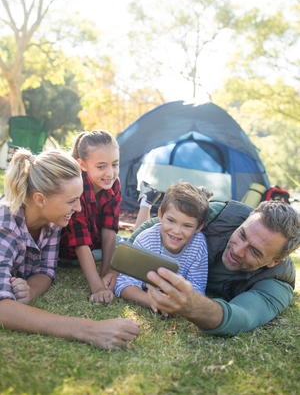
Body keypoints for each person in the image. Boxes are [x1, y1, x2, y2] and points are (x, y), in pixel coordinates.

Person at [0, 148, 140, 350]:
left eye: (79, 199)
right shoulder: (5, 227)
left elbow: (46, 270)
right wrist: (89, 329)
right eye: (71, 201)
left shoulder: (53, 219)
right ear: (40, 199)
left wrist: (29, 291)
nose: (79, 209)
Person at [129, 199, 300, 336]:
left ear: (275, 261)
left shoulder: (278, 282)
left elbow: (241, 316)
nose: (238, 250)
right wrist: (116, 267)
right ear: (245, 220)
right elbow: (152, 227)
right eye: (242, 234)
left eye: (255, 251)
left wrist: (194, 306)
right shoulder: (220, 214)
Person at [115, 182, 209, 311]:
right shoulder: (146, 239)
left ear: (198, 227)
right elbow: (124, 284)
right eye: (171, 220)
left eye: (187, 226)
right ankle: (146, 201)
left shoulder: (198, 244)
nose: (176, 231)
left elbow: (197, 289)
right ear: (160, 215)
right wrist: (155, 302)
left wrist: (177, 304)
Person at [59, 130, 121, 303]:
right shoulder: (75, 188)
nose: (110, 173)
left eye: (114, 164)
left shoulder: (113, 184)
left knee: (120, 242)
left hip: (94, 245)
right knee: (120, 245)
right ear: (83, 165)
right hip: (68, 253)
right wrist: (98, 288)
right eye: (101, 166)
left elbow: (109, 230)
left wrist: (106, 273)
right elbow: (80, 243)